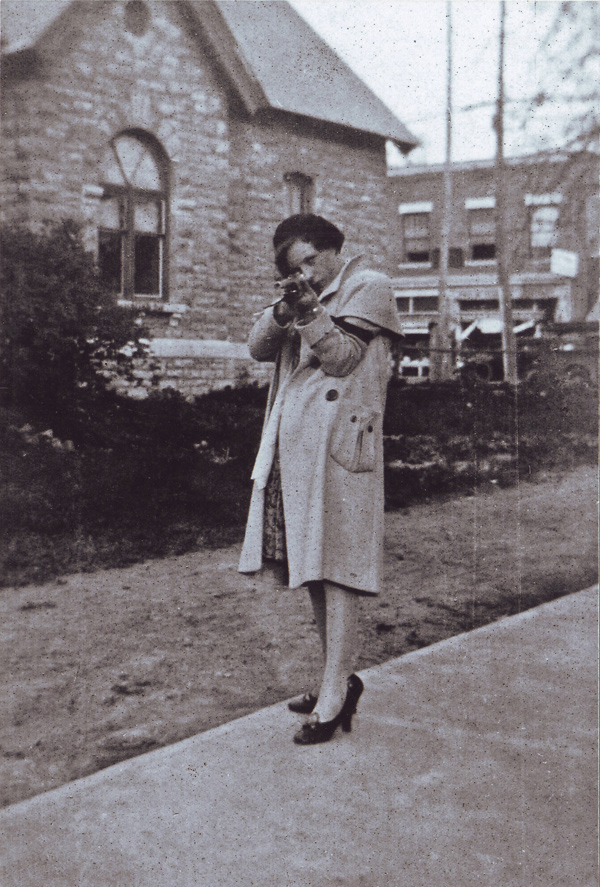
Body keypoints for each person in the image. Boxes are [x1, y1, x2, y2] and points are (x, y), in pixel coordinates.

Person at [239, 214, 402, 745]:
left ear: (335, 249)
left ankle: (336, 695)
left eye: (311, 260)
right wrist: (286, 307)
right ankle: (336, 677)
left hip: (341, 445)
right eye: (294, 266)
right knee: (310, 564)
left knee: (340, 567)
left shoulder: (368, 285)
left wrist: (307, 310)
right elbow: (258, 348)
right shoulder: (304, 296)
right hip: (295, 443)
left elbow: (342, 358)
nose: (305, 271)